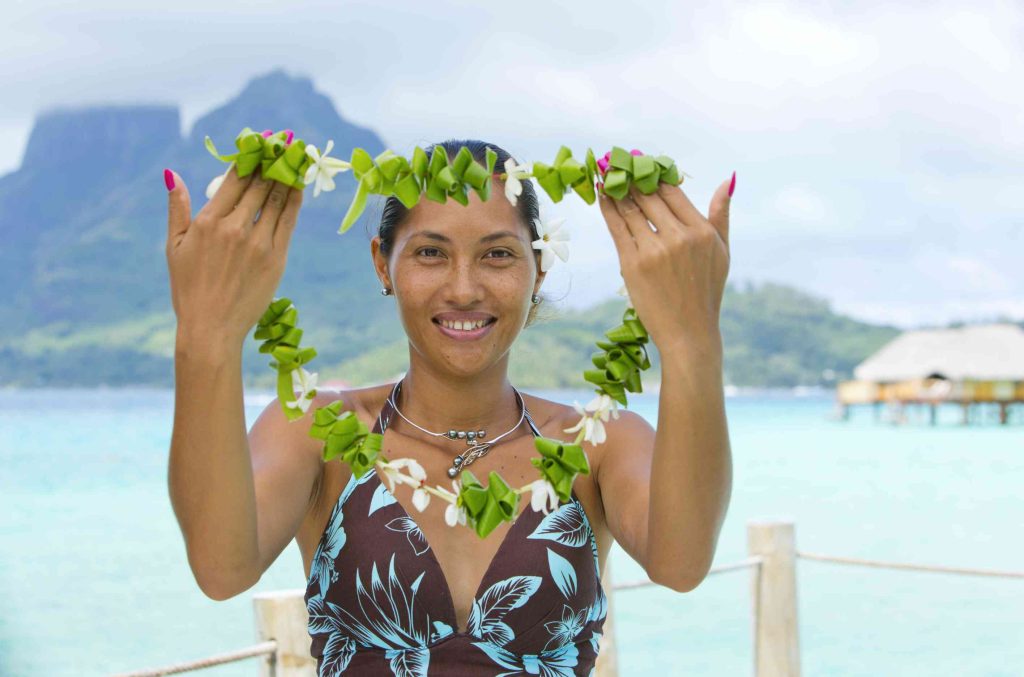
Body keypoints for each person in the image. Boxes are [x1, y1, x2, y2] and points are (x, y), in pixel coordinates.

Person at [164, 137, 733, 676]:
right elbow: (220, 568)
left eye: (498, 255)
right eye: (431, 253)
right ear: (383, 264)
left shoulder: (597, 442)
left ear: (539, 269)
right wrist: (206, 333)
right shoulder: (318, 430)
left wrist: (691, 338)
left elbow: (681, 564)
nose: (464, 289)